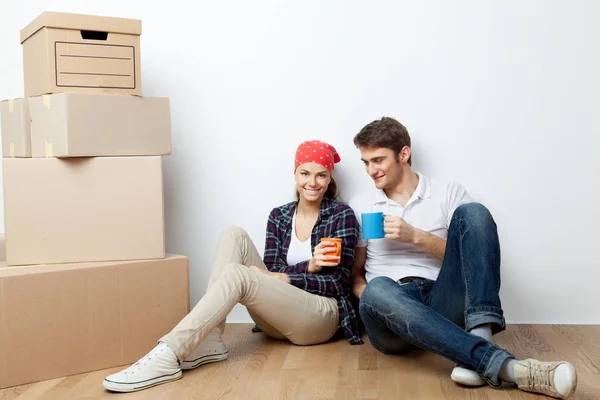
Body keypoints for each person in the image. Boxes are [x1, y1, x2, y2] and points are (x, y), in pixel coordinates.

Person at [102, 140, 362, 393]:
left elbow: (338, 284)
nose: (312, 183)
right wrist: (306, 267)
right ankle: (212, 340)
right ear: (294, 174)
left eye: (321, 175)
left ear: (330, 180)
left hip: (320, 317)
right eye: (305, 173)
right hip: (278, 319)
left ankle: (169, 352)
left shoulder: (341, 216)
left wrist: (290, 277)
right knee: (233, 234)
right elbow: (271, 269)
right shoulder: (280, 216)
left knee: (239, 275)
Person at [348, 117, 577, 399]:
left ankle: (479, 340)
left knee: (474, 213)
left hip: (440, 298)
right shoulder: (360, 204)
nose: (371, 170)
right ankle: (505, 366)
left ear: (403, 154)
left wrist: (415, 236)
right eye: (365, 162)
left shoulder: (447, 193)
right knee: (379, 287)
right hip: (389, 313)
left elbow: (472, 256)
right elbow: (356, 275)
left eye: (378, 160)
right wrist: (368, 293)